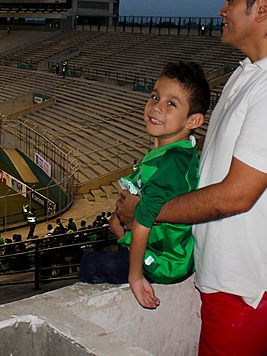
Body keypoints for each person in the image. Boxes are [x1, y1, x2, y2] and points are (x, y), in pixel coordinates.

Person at [117, 0, 267, 354]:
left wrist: (147, 210)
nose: (221, 11)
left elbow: (235, 195)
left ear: (262, 8)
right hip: (233, 279)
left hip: (249, 284)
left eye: (230, 0)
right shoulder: (254, 71)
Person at [79, 61, 210, 310]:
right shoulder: (173, 151)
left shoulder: (171, 163)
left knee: (90, 264)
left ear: (193, 120)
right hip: (160, 248)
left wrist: (135, 276)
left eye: (171, 104)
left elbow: (145, 219)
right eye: (155, 96)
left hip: (164, 262)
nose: (156, 107)